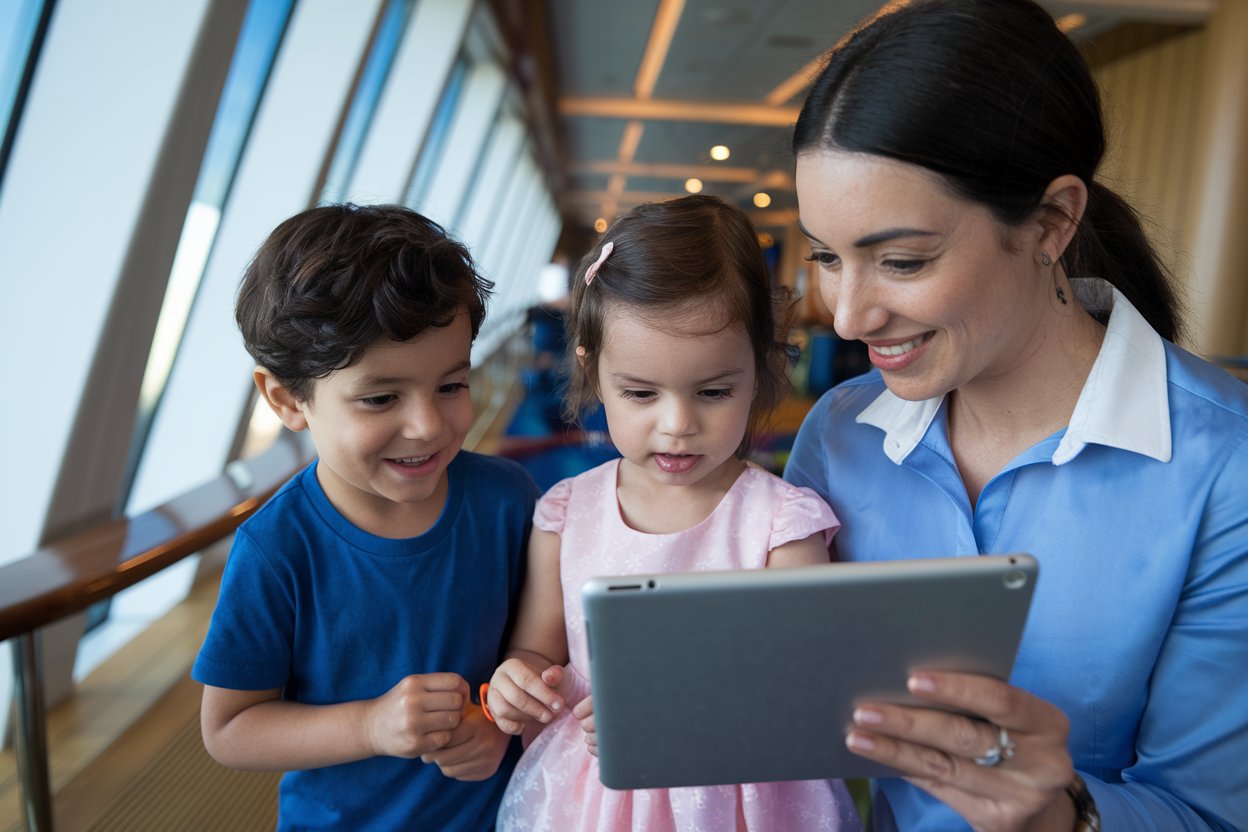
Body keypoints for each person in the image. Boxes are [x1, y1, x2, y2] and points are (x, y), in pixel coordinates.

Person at [784, 1, 1248, 830]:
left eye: (900, 260)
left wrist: (1070, 816)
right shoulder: (837, 433)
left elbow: (1213, 812)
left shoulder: (1225, 465)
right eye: (826, 256)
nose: (848, 316)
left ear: (1052, 221)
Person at [484, 195, 863, 830]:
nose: (678, 425)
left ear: (764, 368)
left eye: (714, 391)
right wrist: (516, 681)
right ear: (594, 372)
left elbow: (804, 687)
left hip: (740, 797)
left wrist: (689, 707)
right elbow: (534, 648)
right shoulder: (567, 513)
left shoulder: (782, 524)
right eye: (640, 393)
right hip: (592, 795)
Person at [191, 204, 541, 830]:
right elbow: (231, 728)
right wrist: (370, 725)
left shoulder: (508, 500)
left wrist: (495, 720)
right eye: (381, 398)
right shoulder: (277, 550)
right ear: (287, 399)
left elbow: (540, 648)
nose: (428, 426)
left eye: (451, 386)